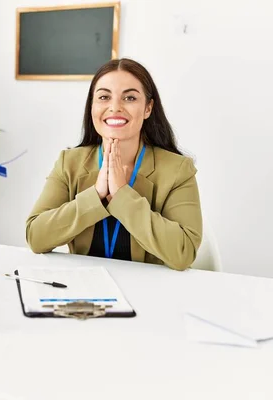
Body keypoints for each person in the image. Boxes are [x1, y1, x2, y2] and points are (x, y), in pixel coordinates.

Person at [25, 58, 202, 271]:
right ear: (92, 107)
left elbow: (183, 252)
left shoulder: (177, 170)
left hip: (150, 293)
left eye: (129, 97)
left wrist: (122, 195)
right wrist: (96, 194)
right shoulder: (69, 162)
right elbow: (36, 237)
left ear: (148, 108)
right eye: (104, 97)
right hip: (84, 288)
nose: (115, 107)